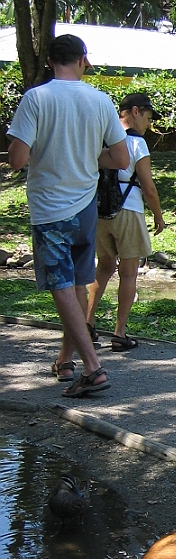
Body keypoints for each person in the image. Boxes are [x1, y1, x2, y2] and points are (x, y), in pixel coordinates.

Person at [7, 34, 129, 398]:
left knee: (60, 286)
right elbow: (121, 160)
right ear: (82, 61)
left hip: (50, 209)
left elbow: (17, 159)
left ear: (49, 61)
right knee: (77, 285)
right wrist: (90, 156)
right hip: (86, 208)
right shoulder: (101, 99)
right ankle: (65, 360)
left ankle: (93, 367)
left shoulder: (36, 99)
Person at [85, 92, 165, 351]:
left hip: (98, 211)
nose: (148, 124)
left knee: (104, 266)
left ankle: (87, 324)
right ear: (134, 111)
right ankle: (119, 333)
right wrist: (158, 215)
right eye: (147, 117)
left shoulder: (101, 137)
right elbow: (148, 187)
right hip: (128, 210)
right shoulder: (136, 143)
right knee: (128, 272)